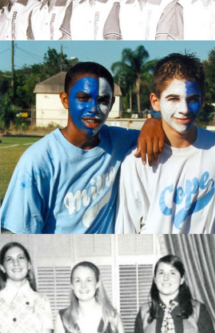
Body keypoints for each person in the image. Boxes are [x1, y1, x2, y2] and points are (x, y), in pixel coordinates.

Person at [0, 62, 163, 233]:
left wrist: (154, 121)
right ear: (65, 100)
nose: (93, 108)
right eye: (83, 98)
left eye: (102, 100)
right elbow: (24, 234)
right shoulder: (38, 161)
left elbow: (170, 135)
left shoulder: (119, 140)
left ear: (112, 103)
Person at [116, 53, 215, 234]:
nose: (184, 109)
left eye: (192, 99)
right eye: (173, 99)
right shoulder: (135, 160)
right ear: (156, 102)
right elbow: (128, 233)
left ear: (202, 101)